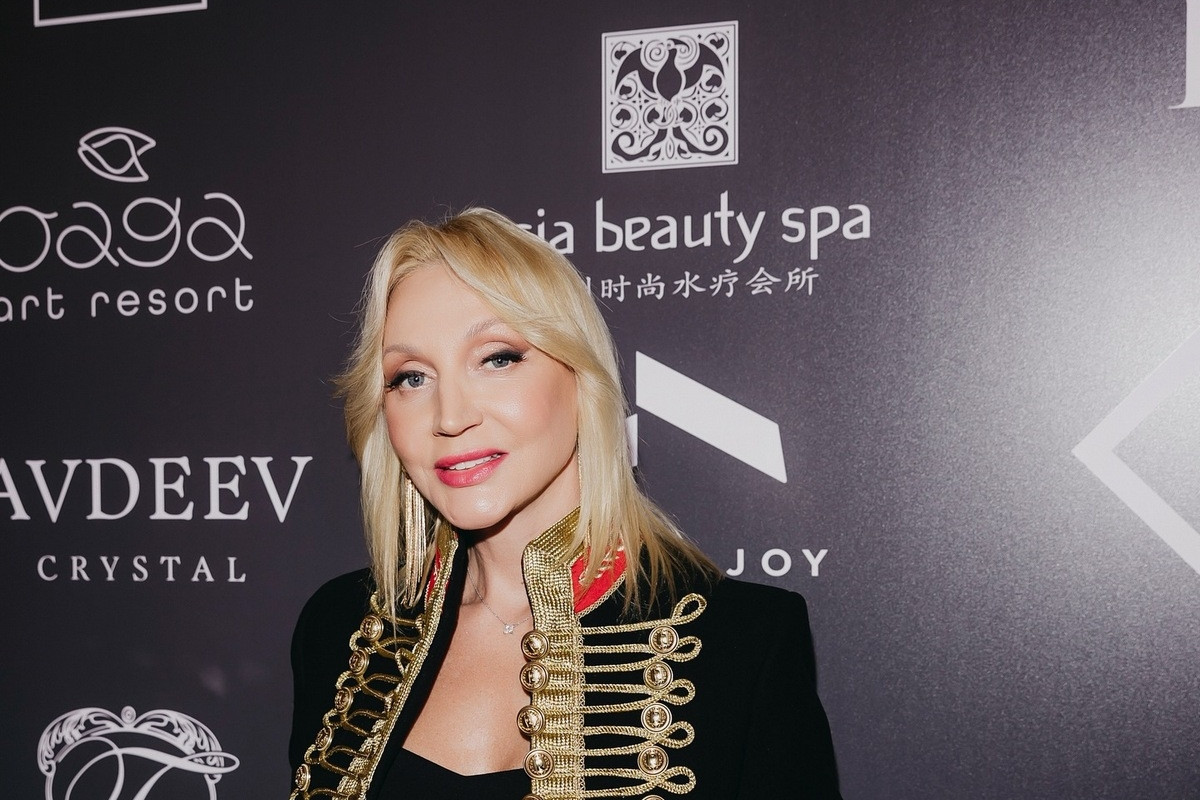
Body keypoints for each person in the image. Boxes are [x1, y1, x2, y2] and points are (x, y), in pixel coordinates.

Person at [288, 208, 842, 800]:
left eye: (497, 358)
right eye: (411, 377)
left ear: (580, 377)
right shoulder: (340, 627)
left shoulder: (746, 645)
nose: (450, 417)